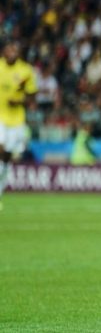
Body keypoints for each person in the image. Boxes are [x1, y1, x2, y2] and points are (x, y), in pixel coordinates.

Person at [0, 40, 37, 210]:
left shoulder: (25, 71)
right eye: (9, 49)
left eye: (15, 50)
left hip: (16, 120)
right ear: (4, 52)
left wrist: (20, 100)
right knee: (1, 150)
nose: (12, 52)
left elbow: (31, 95)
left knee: (6, 158)